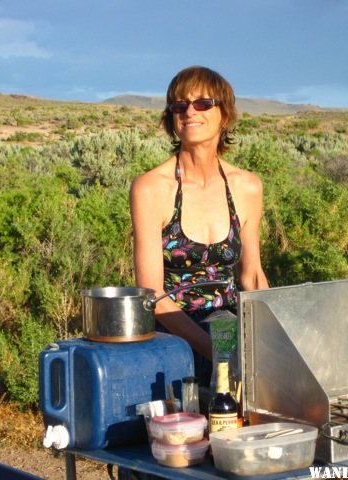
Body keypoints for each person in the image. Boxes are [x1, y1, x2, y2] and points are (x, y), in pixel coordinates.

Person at [130, 66, 269, 386]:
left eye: (203, 103)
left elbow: (252, 277)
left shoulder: (246, 187)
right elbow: (153, 294)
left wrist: (275, 339)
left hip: (229, 328)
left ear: (226, 114)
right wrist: (217, 351)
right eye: (179, 106)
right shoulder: (151, 188)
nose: (190, 111)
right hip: (173, 340)